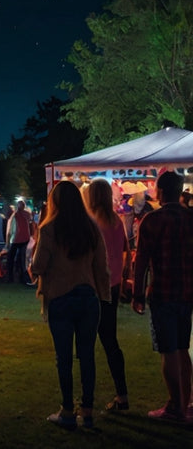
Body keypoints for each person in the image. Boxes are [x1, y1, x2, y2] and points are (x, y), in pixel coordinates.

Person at [29, 180, 110, 429]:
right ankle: (86, 411)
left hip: (60, 298)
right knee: (87, 356)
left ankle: (66, 410)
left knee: (63, 357)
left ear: (56, 201)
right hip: (88, 297)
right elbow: (101, 268)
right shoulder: (91, 228)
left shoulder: (50, 228)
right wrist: (104, 297)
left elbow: (39, 265)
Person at [131, 171, 193, 422]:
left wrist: (136, 294)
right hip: (187, 292)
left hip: (163, 292)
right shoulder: (190, 218)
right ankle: (186, 403)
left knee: (168, 350)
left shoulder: (152, 220)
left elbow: (142, 261)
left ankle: (175, 406)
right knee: (181, 348)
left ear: (160, 191)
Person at [83, 178, 130, 412]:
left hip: (92, 287)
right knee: (111, 342)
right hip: (112, 286)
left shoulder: (90, 223)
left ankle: (86, 401)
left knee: (87, 344)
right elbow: (124, 253)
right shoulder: (117, 222)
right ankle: (122, 394)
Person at [6, 200, 34, 283]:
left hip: (15, 240)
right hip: (25, 239)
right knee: (22, 260)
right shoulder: (27, 214)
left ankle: (10, 277)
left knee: (10, 259)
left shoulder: (14, 215)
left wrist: (7, 242)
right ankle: (22, 278)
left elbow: (9, 230)